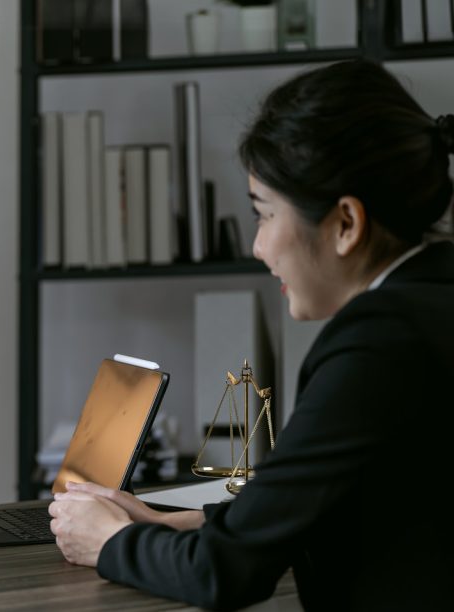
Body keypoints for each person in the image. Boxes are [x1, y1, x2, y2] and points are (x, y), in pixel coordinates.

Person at [48, 59, 454, 610]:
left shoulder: (379, 344)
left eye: (264, 214)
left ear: (346, 224)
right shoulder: (430, 299)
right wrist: (174, 521)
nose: (258, 247)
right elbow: (320, 501)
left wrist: (110, 541)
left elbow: (226, 571)